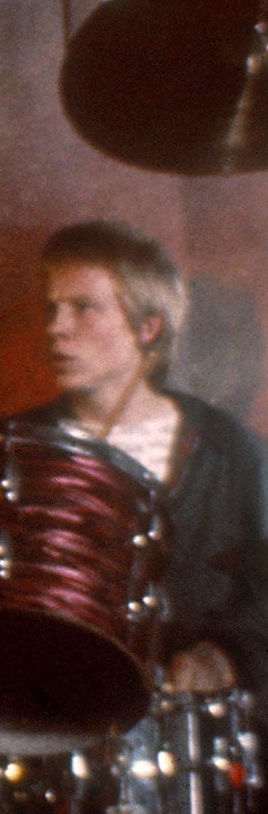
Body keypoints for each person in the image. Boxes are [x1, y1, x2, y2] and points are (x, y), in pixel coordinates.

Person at [19, 221, 268, 692]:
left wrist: (222, 657)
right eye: (51, 309)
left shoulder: (230, 450)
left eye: (83, 308)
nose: (56, 328)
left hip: (196, 731)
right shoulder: (18, 449)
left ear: (147, 327)